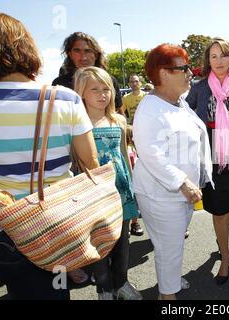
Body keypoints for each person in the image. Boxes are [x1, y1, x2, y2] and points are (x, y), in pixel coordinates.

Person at [0, 12, 99, 300]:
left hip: (5, 232)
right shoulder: (64, 99)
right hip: (54, 225)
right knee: (54, 291)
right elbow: (91, 167)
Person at [132, 44, 213, 300]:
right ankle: (168, 296)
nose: (190, 72)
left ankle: (170, 280)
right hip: (163, 195)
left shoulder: (178, 103)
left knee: (171, 246)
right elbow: (151, 153)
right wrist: (183, 182)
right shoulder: (150, 108)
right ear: (163, 73)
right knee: (170, 249)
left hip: (181, 194)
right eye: (184, 68)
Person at [186, 38, 229, 285]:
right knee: (217, 208)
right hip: (209, 153)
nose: (218, 61)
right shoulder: (198, 87)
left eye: (223, 55)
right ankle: (226, 256)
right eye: (213, 56)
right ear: (208, 61)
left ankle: (221, 238)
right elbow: (185, 118)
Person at [74, 66, 142, 300]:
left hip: (121, 189)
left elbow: (124, 155)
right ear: (81, 92)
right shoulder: (74, 125)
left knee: (123, 241)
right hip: (92, 195)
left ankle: (122, 283)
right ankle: (105, 288)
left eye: (107, 89)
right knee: (98, 246)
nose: (103, 94)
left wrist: (133, 186)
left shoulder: (119, 120)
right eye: (95, 89)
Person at [52, 32, 125, 116]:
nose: (83, 57)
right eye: (77, 51)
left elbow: (119, 115)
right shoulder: (59, 84)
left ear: (96, 55)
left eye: (88, 51)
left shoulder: (109, 81)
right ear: (70, 54)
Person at [126, 125, 144, 237]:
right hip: (129, 179)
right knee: (128, 203)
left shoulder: (134, 148)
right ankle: (126, 227)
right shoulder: (125, 149)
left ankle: (135, 223)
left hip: (136, 179)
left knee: (135, 204)